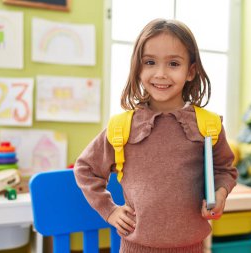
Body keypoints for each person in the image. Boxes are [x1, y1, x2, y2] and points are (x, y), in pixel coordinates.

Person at [74, 18, 238, 253]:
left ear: (190, 71)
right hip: (135, 247)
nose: (160, 74)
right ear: (138, 68)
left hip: (192, 247)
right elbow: (85, 169)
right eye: (150, 62)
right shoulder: (123, 126)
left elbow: (224, 169)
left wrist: (220, 194)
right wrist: (109, 210)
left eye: (173, 64)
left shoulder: (208, 125)